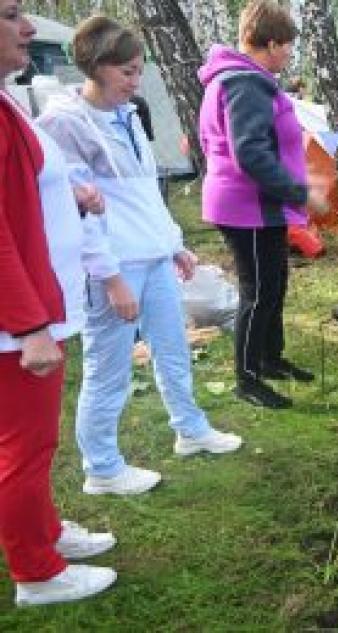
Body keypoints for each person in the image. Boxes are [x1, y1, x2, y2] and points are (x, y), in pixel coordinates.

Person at [38, 16, 242, 497]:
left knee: (172, 350)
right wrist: (110, 278)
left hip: (152, 257)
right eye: (126, 71)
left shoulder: (128, 113)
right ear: (96, 66)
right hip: (115, 268)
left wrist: (173, 242)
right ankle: (102, 466)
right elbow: (78, 214)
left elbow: (143, 192)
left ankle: (190, 429)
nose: (134, 80)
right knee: (107, 367)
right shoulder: (64, 123)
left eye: (137, 70)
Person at [0, 0, 117, 605]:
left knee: (35, 443)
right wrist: (28, 326)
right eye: (11, 15)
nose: (27, 29)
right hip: (18, 325)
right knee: (22, 449)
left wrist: (69, 196)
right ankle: (36, 573)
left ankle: (44, 532)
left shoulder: (5, 101)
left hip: (36, 310)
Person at [198, 0, 327, 409]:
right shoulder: (244, 83)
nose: (289, 54)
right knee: (258, 291)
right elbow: (250, 153)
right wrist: (300, 192)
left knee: (275, 285)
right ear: (271, 44)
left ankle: (271, 359)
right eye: (287, 45)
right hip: (248, 207)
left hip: (261, 207)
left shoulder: (245, 79)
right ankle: (248, 379)